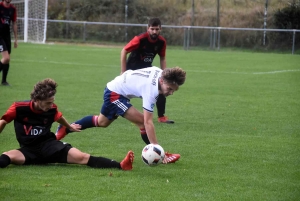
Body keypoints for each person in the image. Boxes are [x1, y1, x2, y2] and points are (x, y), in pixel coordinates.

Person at [56, 67, 186, 163]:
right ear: (162, 81)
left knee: (102, 122)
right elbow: (148, 122)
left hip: (115, 87)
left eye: (174, 90)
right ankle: (161, 155)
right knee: (142, 122)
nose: (171, 93)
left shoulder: (160, 72)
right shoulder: (151, 90)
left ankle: (66, 128)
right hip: (115, 94)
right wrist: (157, 148)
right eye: (169, 89)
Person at [0, 78, 134, 170]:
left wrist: (69, 126)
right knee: (6, 157)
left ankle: (121, 166)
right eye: (48, 103)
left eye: (52, 102)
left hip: (50, 146)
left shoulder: (51, 109)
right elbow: (3, 121)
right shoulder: (18, 108)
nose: (51, 105)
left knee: (82, 157)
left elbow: (59, 117)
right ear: (37, 99)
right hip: (27, 150)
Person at [121, 17, 174, 124]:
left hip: (147, 70)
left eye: (157, 29)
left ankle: (161, 117)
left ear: (160, 29)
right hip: (132, 69)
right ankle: (114, 112)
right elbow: (124, 51)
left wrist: (164, 75)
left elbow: (162, 58)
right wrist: (123, 72)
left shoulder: (161, 42)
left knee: (161, 87)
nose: (154, 31)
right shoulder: (140, 39)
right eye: (152, 29)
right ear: (148, 28)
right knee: (121, 91)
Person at [0, 0, 18, 86]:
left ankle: (4, 81)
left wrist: (16, 39)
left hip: (7, 36)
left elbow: (14, 23)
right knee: (6, 58)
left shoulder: (13, 9)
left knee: (7, 60)